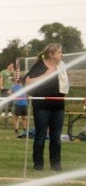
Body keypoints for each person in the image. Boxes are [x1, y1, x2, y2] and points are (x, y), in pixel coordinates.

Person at [25, 43, 69, 171]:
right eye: (59, 52)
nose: (62, 54)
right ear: (51, 54)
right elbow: (27, 82)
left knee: (56, 137)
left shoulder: (62, 66)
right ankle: (38, 165)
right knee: (41, 135)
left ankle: (56, 165)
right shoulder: (39, 65)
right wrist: (47, 74)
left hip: (58, 106)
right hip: (42, 106)